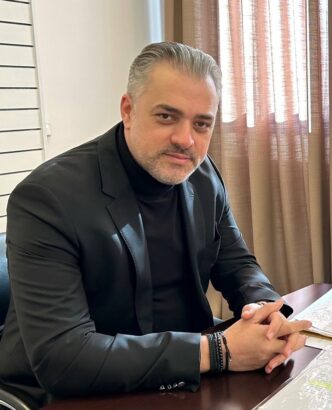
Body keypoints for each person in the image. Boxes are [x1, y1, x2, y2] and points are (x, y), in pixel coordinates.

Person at [0, 42, 311, 406]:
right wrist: (217, 350)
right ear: (128, 110)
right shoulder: (47, 198)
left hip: (183, 373)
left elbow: (238, 264)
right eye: (166, 116)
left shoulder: (203, 175)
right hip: (74, 391)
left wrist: (266, 311)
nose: (185, 140)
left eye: (202, 124)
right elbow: (64, 358)